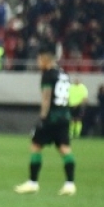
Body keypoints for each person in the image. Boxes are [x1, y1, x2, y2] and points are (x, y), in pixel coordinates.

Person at [15, 44, 76, 195]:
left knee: (36, 146)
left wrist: (42, 118)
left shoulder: (48, 75)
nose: (37, 63)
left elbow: (46, 98)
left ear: (44, 59)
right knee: (65, 149)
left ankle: (32, 183)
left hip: (52, 117)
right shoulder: (64, 74)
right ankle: (70, 184)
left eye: (38, 59)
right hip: (64, 116)